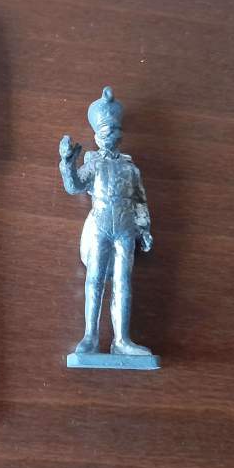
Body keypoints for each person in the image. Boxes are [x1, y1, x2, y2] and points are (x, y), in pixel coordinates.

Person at [59, 87, 154, 356]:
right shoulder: (93, 164)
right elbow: (74, 186)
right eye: (104, 132)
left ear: (119, 135)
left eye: (113, 131)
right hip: (100, 226)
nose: (109, 136)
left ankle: (122, 339)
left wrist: (144, 229)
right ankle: (90, 337)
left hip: (125, 228)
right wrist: (67, 163)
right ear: (96, 136)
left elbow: (139, 200)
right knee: (94, 279)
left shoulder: (130, 168)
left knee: (123, 282)